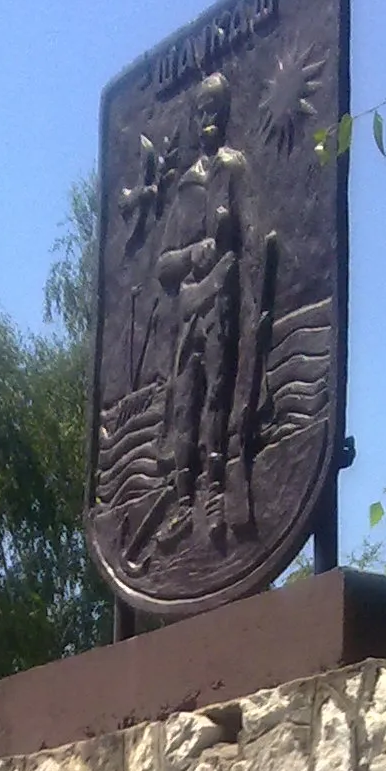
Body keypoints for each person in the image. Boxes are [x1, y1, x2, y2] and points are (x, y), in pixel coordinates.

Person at [154, 72, 249, 540]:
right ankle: (182, 500)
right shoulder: (187, 185)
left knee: (218, 397)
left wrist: (228, 241)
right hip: (189, 306)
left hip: (223, 298)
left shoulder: (235, 168)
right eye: (203, 110)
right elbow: (163, 265)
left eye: (218, 108)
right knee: (186, 402)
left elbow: (255, 234)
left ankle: (215, 494)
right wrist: (192, 254)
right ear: (195, 119)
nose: (211, 118)